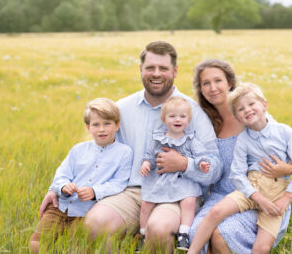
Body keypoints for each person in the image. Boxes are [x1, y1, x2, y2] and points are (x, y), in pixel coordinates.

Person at [37, 41, 222, 253]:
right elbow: (94, 150)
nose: (156, 73)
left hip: (175, 192)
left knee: (159, 229)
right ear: (140, 70)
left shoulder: (192, 111)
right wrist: (56, 187)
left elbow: (214, 167)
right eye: (150, 67)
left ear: (175, 71)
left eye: (163, 68)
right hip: (130, 191)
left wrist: (184, 164)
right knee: (95, 223)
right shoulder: (122, 108)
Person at [189, 59, 292, 253]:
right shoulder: (205, 122)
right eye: (206, 83)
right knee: (197, 232)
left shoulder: (249, 114)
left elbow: (291, 157)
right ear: (201, 89)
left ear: (230, 83)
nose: (213, 88)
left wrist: (287, 168)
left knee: (223, 234)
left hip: (259, 195)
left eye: (218, 80)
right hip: (221, 195)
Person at [29, 98, 133, 253]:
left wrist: (94, 191)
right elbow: (62, 174)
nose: (101, 129)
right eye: (96, 124)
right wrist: (64, 186)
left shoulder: (124, 152)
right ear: (88, 127)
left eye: (107, 124)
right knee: (37, 243)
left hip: (85, 212)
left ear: (117, 125)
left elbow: (119, 183)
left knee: (76, 248)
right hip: (60, 206)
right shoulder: (78, 150)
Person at [138, 96, 210, 251]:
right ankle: (143, 235)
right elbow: (149, 155)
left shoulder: (191, 140)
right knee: (146, 203)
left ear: (188, 120)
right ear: (164, 119)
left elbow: (200, 155)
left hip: (183, 180)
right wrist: (146, 163)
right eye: (172, 116)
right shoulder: (158, 139)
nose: (178, 120)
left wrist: (202, 163)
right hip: (162, 180)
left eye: (182, 116)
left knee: (189, 201)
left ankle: (184, 233)